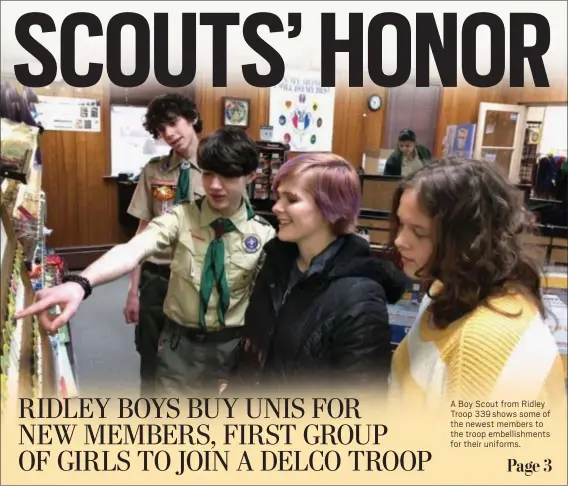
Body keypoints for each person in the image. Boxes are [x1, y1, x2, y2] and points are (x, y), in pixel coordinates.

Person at [15, 127, 277, 397]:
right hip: (179, 348)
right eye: (208, 174)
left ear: (251, 176)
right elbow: (133, 249)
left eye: (228, 176)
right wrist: (81, 283)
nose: (214, 186)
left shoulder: (265, 235)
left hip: (231, 350)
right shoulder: (182, 217)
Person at [219, 153, 407, 394]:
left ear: (331, 208)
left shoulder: (360, 296)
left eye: (292, 199)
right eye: (278, 197)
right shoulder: (277, 262)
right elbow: (254, 338)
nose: (276, 207)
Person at [388, 157, 566, 406]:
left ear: (467, 240)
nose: (399, 241)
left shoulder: (486, 343)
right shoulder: (446, 288)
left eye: (419, 232)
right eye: (401, 224)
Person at [123, 93, 205, 397]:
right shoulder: (155, 171)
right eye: (160, 129)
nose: (168, 134)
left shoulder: (219, 170)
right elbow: (141, 232)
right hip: (157, 277)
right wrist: (133, 291)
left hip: (199, 280)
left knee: (192, 365)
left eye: (173, 123)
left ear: (192, 118)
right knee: (151, 360)